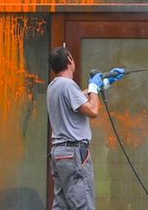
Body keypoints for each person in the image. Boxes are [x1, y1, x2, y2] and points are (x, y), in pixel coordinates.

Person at [47, 46, 101, 210]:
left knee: (61, 206)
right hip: (74, 153)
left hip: (59, 154)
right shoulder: (68, 85)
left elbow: (76, 98)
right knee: (83, 205)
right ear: (70, 60)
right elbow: (93, 111)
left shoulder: (53, 86)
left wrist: (99, 86)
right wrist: (94, 88)